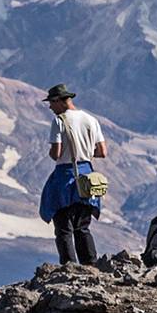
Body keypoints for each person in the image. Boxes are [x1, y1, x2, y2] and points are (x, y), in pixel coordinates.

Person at [37, 84, 106, 266]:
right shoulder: (91, 120)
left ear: (58, 101)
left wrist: (55, 152)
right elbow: (102, 151)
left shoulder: (59, 121)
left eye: (51, 103)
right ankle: (91, 264)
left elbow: (56, 153)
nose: (50, 107)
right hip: (87, 176)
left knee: (63, 227)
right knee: (82, 226)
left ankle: (69, 265)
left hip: (65, 176)